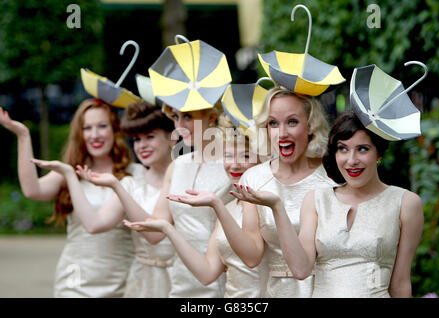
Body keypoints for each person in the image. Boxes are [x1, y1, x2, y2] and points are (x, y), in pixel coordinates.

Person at [234, 111, 424, 297]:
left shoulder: (406, 203)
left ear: (379, 153)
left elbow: (400, 283)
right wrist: (277, 207)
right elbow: (300, 270)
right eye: (343, 148)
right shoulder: (316, 200)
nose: (351, 160)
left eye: (362, 149)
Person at [31, 101, 176, 297]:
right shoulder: (131, 183)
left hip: (178, 274)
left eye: (149, 137)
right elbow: (96, 224)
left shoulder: (178, 175)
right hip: (138, 278)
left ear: (173, 138)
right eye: (136, 139)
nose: (142, 146)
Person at [0, 99, 138, 297]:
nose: (95, 135)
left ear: (115, 130)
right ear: (79, 134)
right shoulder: (70, 171)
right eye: (87, 128)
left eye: (102, 126)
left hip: (121, 281)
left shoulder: (133, 175)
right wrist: (23, 135)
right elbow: (32, 190)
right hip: (75, 281)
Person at [208, 86, 337, 298]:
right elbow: (252, 257)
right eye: (273, 123)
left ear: (310, 126)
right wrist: (216, 205)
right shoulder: (255, 178)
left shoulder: (332, 177)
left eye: (292, 121)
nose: (282, 133)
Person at [125, 115, 269, 297]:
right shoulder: (230, 207)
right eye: (228, 155)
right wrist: (168, 229)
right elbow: (207, 273)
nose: (234, 163)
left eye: (245, 155)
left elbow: (252, 257)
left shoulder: (260, 200)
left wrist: (217, 204)